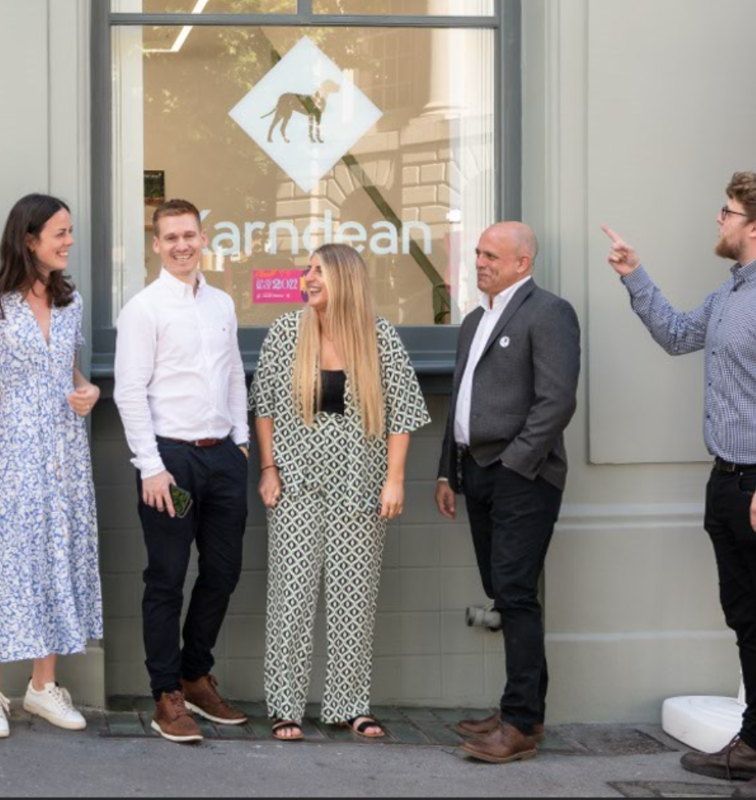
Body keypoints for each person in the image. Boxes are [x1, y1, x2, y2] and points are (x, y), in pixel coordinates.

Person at [603, 172, 756, 799]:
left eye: (727, 212)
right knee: (748, 618)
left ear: (755, 227)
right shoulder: (735, 290)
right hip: (730, 479)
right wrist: (634, 275)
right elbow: (678, 335)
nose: (719, 220)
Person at [253, 243, 429, 743]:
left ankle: (348, 704)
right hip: (295, 483)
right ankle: (284, 705)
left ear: (345, 280)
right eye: (307, 270)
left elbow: (403, 414)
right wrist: (268, 469)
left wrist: (394, 478)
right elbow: (263, 406)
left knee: (354, 597)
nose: (308, 278)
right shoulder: (287, 332)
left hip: (360, 484)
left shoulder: (380, 338)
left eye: (319, 272)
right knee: (291, 594)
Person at [434, 223, 581, 765]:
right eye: (477, 254)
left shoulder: (549, 313)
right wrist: (448, 472)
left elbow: (556, 401)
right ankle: (526, 711)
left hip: (523, 475)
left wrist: (517, 465)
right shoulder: (475, 319)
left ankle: (518, 725)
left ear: (523, 262)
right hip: (475, 471)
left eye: (492, 255)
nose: (480, 262)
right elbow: (460, 402)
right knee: (504, 590)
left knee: (515, 593)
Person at [0, 194, 103, 738]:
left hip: (67, 447)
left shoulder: (73, 304)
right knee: (15, 563)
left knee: (60, 554)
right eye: (60, 233)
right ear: (30, 238)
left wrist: (86, 390)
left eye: (70, 231)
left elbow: (70, 373)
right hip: (17, 445)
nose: (70, 241)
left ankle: (43, 687)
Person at [113, 199, 250, 744]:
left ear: (201, 237)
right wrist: (150, 466)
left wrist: (240, 443)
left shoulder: (221, 302)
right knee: (167, 579)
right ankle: (165, 693)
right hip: (170, 462)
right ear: (156, 244)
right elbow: (128, 392)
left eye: (189, 235)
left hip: (222, 459)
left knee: (223, 572)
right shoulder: (143, 309)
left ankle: (195, 675)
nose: (181, 245)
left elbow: (236, 373)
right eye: (170, 237)